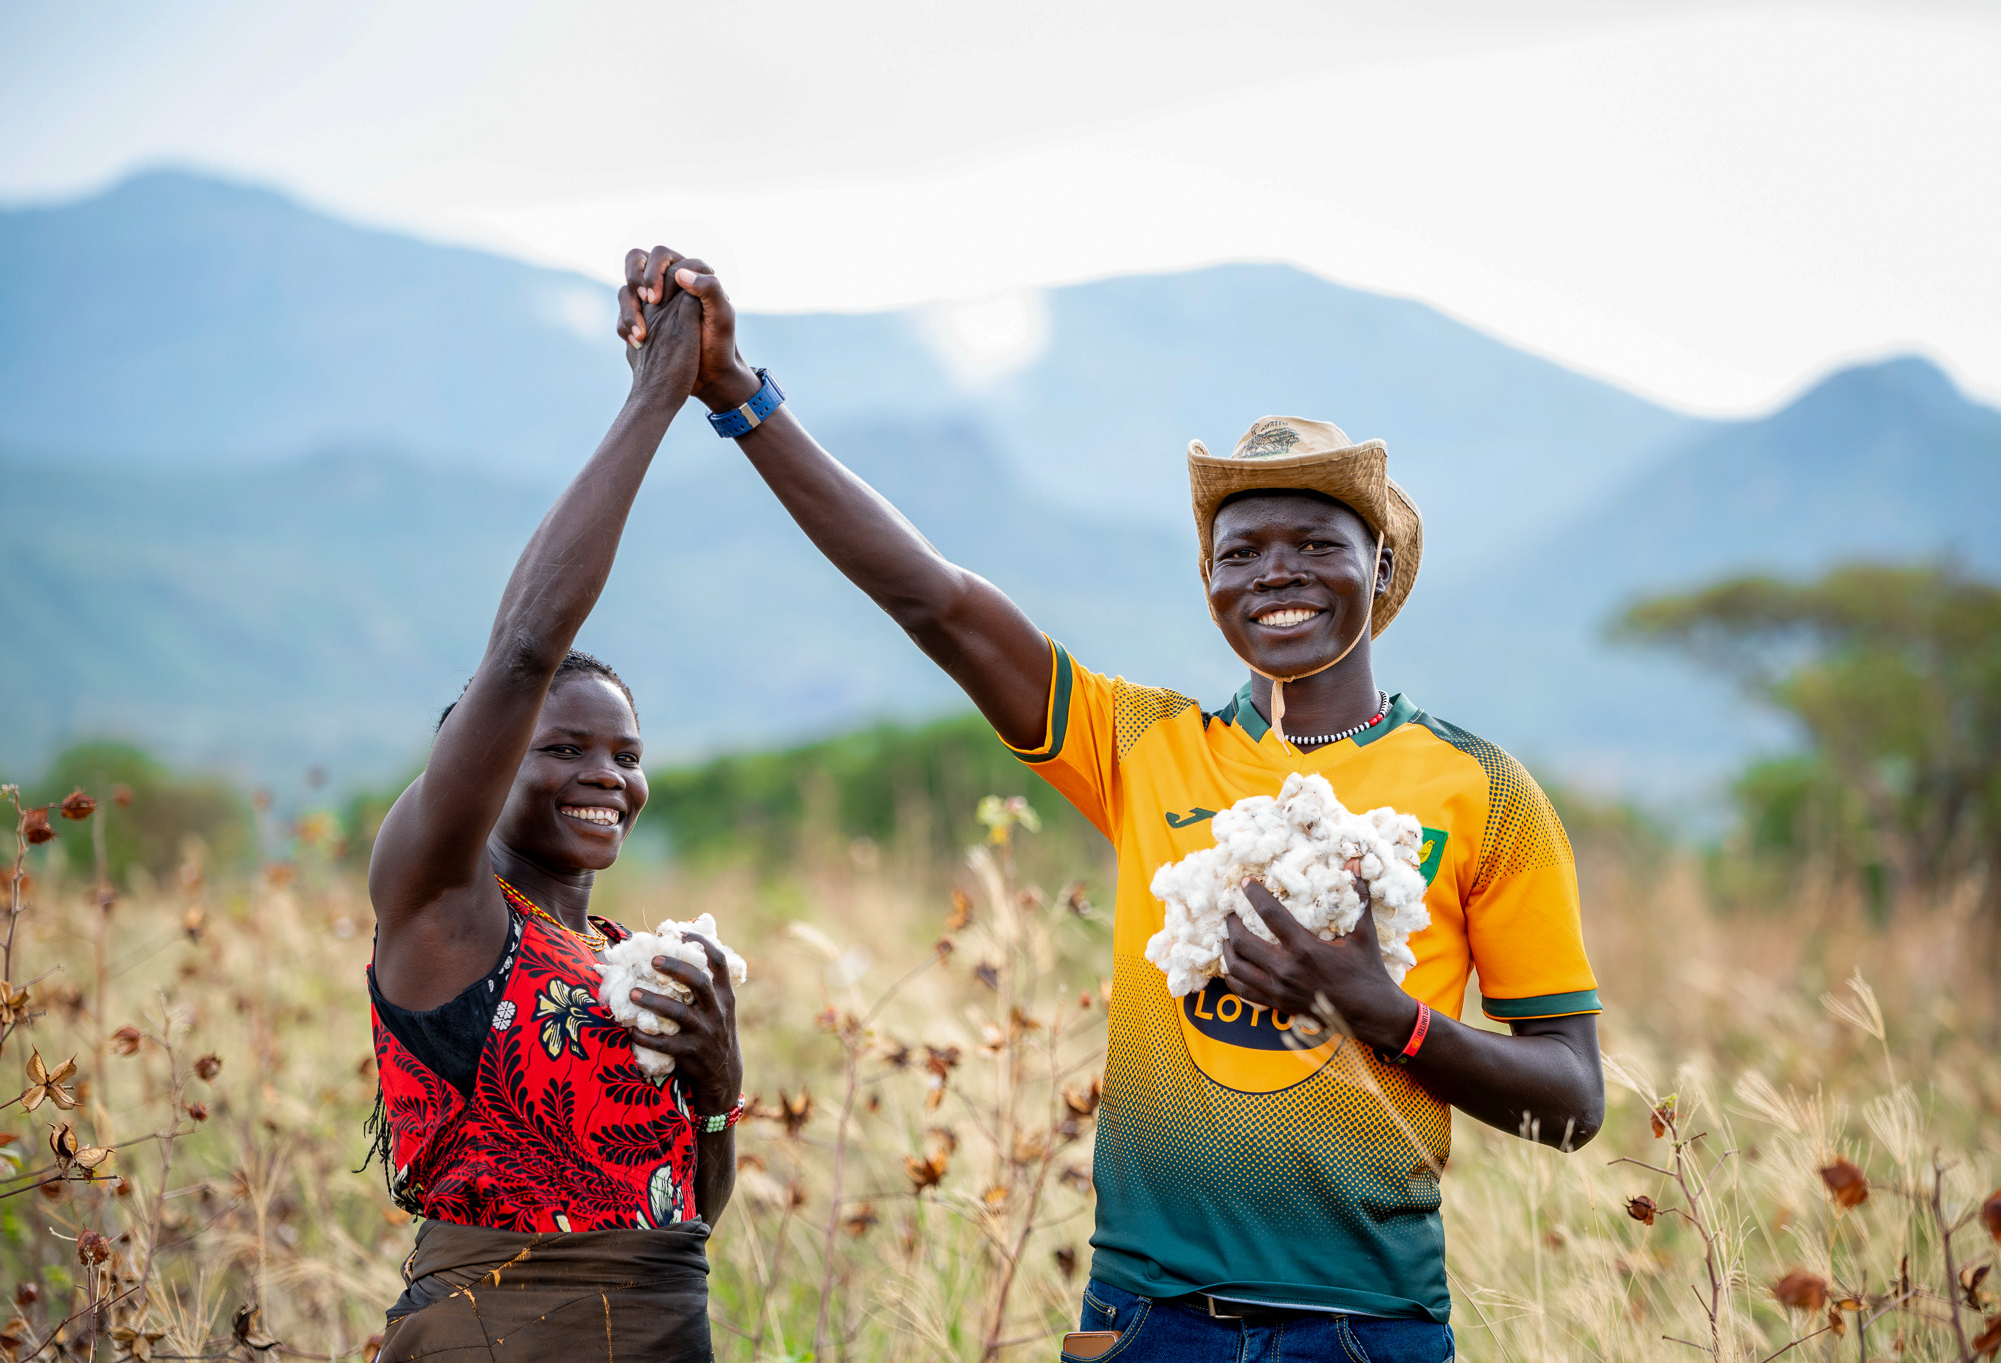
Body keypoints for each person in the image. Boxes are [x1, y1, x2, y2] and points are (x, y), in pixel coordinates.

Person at [630, 248, 1606, 1363]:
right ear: (1209, 587)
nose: (1273, 574)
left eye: (1314, 545)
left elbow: (1569, 1101)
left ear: (1378, 568)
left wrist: (1385, 1014)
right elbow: (934, 600)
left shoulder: (1482, 791)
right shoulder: (1142, 747)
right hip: (1142, 1322)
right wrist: (738, 394)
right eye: (1240, 553)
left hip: (1365, 1331)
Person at [363, 252, 744, 1363]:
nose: (605, 776)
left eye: (625, 753)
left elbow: (676, 1219)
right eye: (562, 747)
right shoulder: (446, 911)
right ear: (475, 766)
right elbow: (525, 647)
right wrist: (656, 397)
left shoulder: (628, 960)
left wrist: (719, 1084)